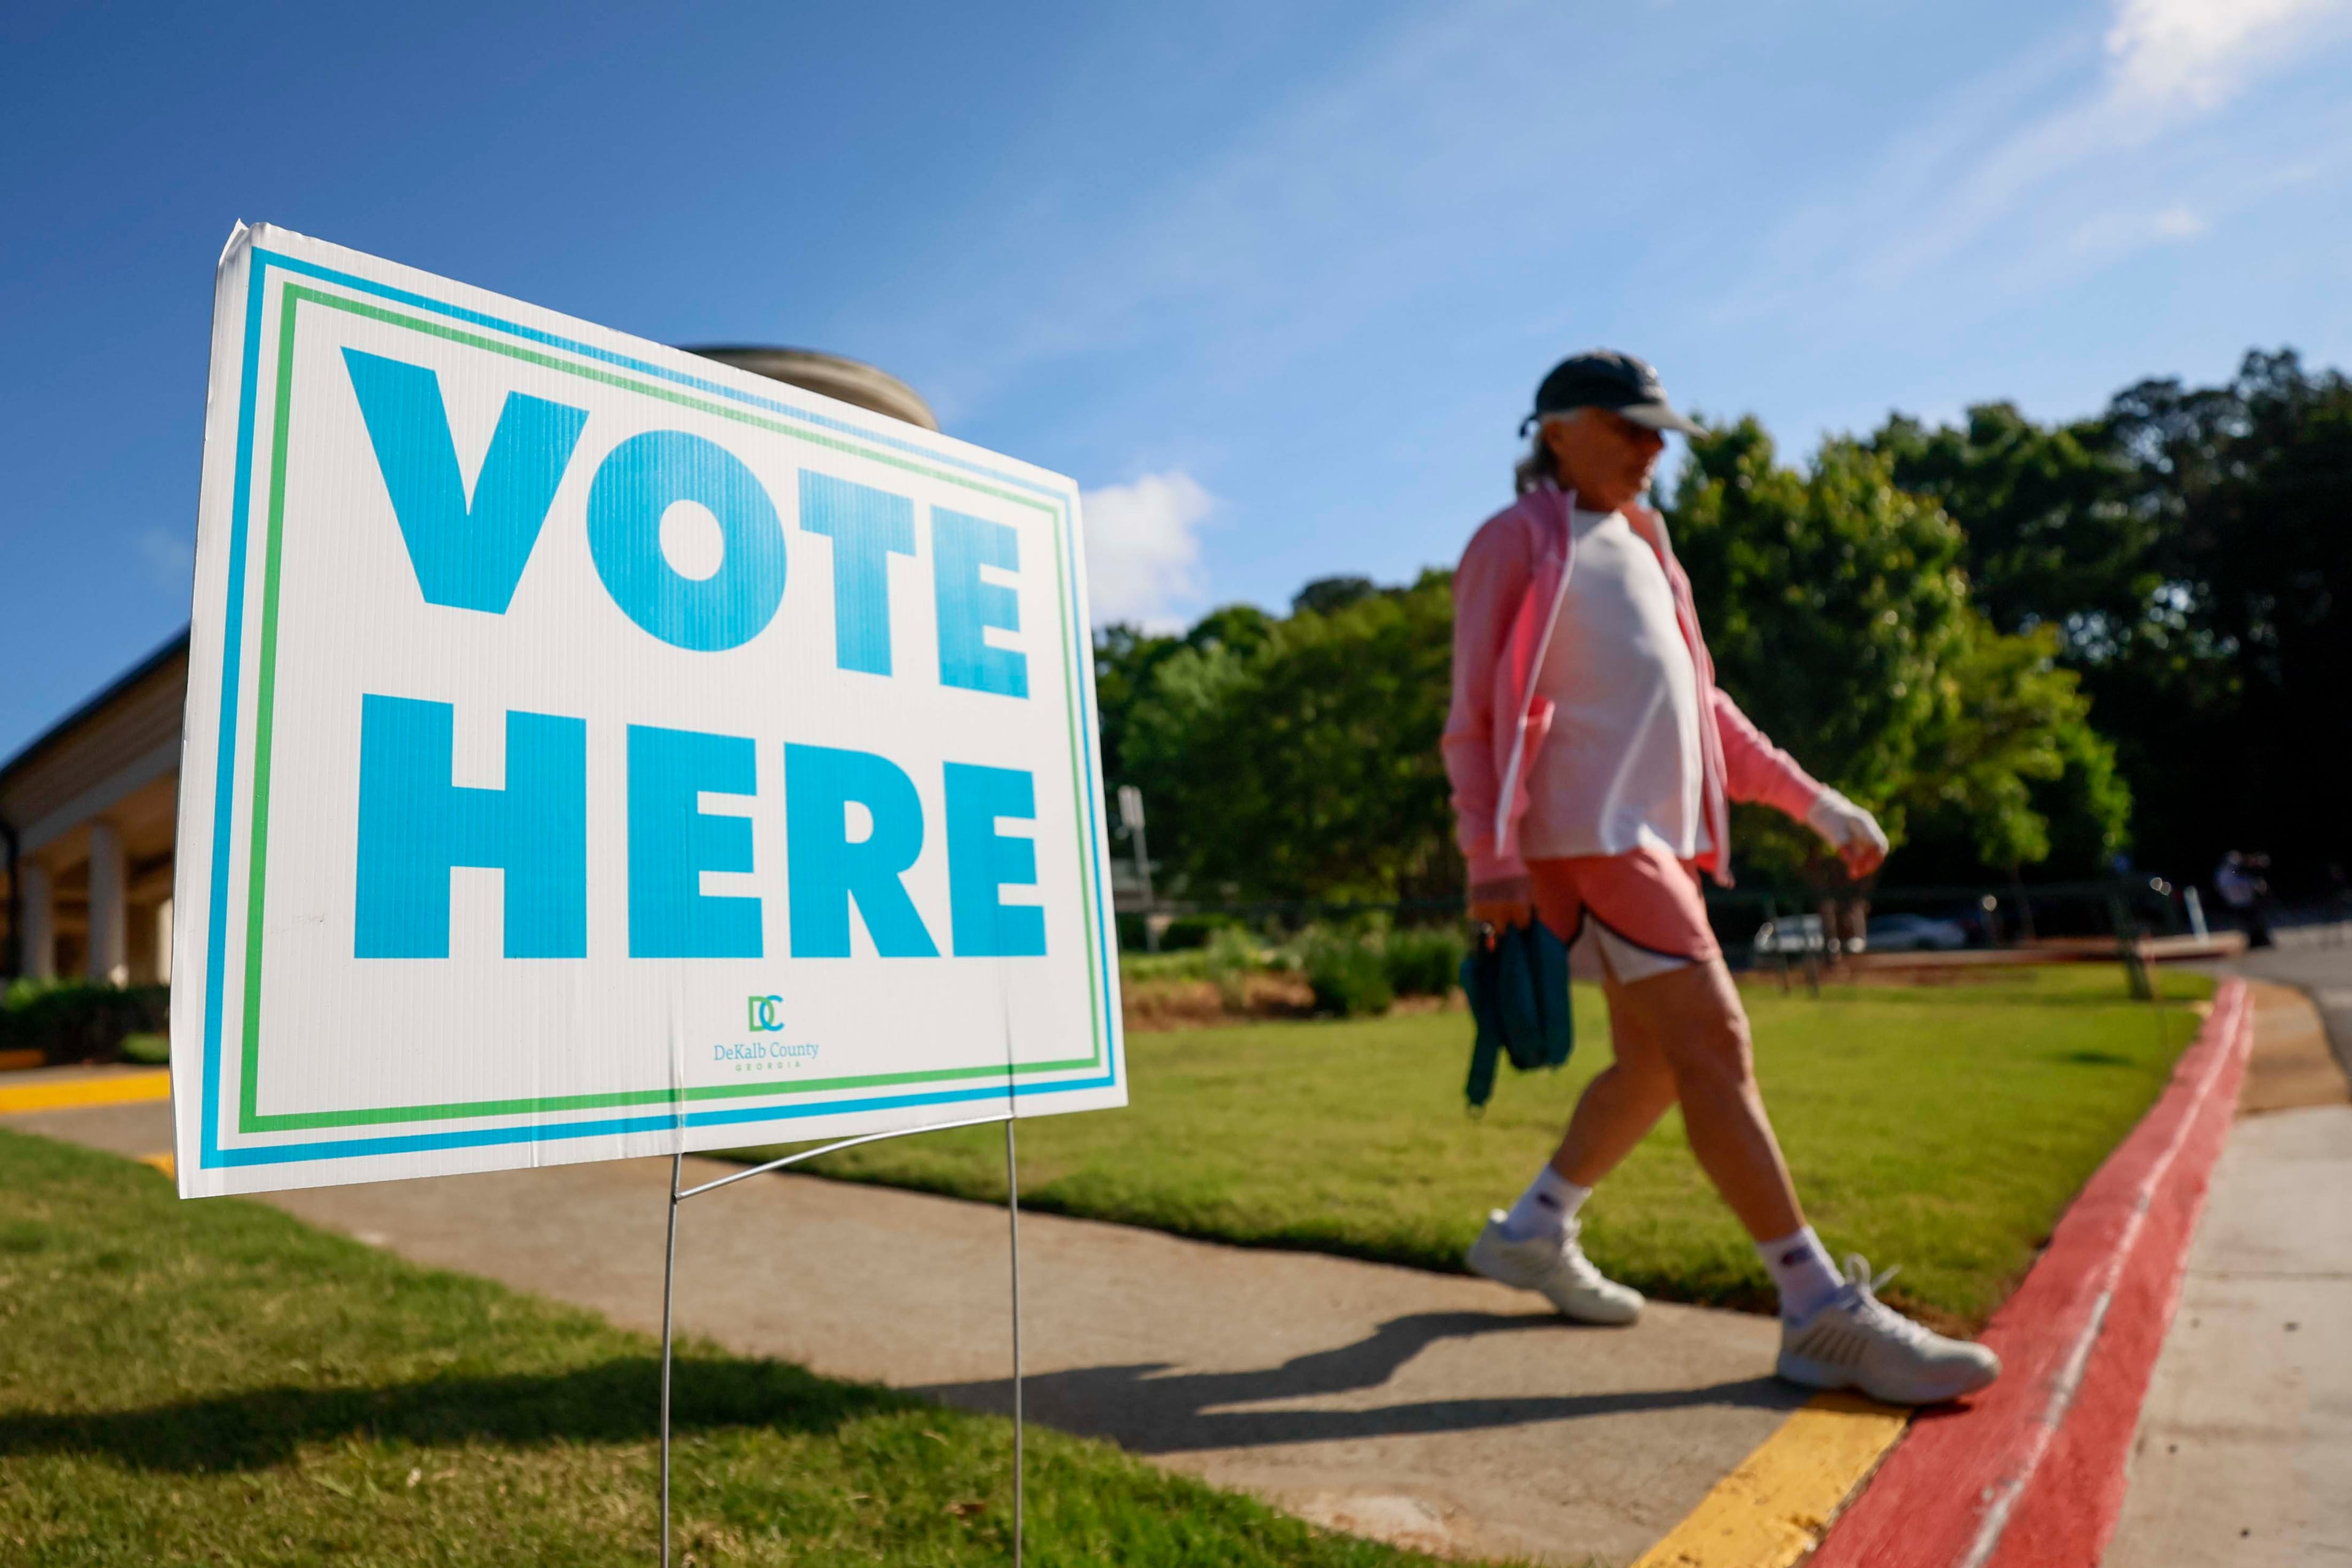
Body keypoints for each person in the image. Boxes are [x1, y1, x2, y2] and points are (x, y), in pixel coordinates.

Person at [1443, 350, 2000, 1406]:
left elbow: (1706, 710)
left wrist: (1815, 801)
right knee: (1719, 1044)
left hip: (1646, 839)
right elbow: (1471, 714)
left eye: (1661, 429)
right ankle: (1816, 1309)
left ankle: (1533, 1231)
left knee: (1656, 1067)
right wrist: (1490, 862)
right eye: (1632, 426)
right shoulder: (1514, 542)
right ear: (1558, 429)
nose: (1655, 446)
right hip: (1584, 837)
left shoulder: (1647, 543)